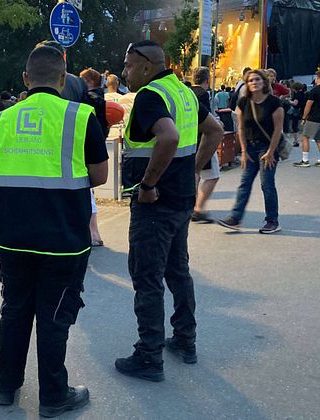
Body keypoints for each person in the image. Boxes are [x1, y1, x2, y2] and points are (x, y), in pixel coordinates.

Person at [0, 44, 108, 417]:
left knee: (15, 309)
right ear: (62, 78)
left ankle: (7, 386)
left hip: (11, 239)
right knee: (54, 317)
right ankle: (54, 396)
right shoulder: (81, 116)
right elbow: (99, 176)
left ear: (25, 79)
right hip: (63, 241)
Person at [114, 41, 218, 381]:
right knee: (178, 271)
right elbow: (215, 130)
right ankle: (185, 340)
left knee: (147, 278)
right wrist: (193, 170)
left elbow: (169, 137)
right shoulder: (183, 92)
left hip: (154, 204)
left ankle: (149, 355)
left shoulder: (149, 96)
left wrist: (147, 184)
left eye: (128, 65)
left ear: (146, 64)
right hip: (181, 199)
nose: (124, 72)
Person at [217, 69, 284, 233]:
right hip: (251, 148)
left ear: (264, 82)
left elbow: (278, 130)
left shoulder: (274, 102)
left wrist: (270, 152)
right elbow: (240, 127)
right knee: (244, 184)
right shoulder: (244, 102)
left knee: (267, 184)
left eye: (257, 79)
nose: (254, 83)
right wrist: (244, 151)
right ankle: (235, 218)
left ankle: (272, 221)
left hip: (267, 149)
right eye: (251, 80)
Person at [190, 66, 223, 223]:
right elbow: (205, 118)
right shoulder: (203, 94)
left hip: (189, 139)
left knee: (195, 173)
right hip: (204, 138)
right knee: (212, 176)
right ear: (207, 79)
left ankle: (191, 206)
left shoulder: (187, 91)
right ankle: (199, 208)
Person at [294, 71, 320, 167]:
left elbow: (308, 105)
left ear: (318, 78)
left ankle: (305, 159)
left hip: (313, 117)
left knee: (305, 137)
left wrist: (304, 118)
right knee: (319, 139)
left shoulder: (314, 90)